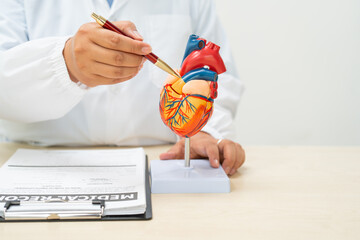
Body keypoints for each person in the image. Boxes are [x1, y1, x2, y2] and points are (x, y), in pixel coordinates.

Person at [0, 0, 245, 175]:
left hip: (163, 161)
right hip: (36, 164)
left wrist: (205, 131)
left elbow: (218, 74)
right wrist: (66, 64)